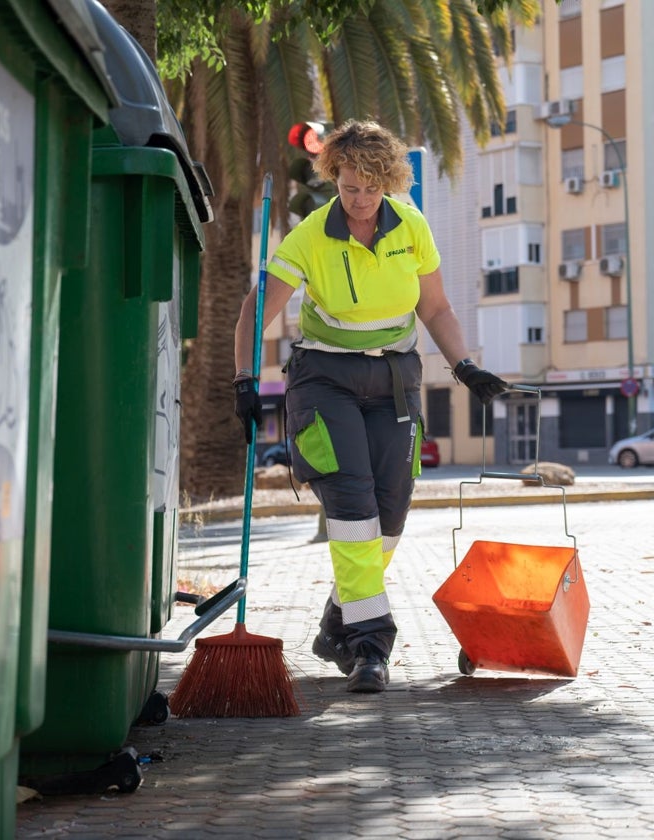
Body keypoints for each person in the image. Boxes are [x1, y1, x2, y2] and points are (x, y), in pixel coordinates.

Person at [231, 119, 507, 693]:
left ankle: (339, 623)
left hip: (394, 380)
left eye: (370, 189)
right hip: (324, 380)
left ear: (388, 184)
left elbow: (435, 309)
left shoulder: (412, 227)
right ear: (335, 178)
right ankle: (370, 647)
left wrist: (465, 367)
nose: (359, 201)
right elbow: (257, 313)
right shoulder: (310, 234)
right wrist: (244, 382)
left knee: (390, 514)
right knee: (353, 508)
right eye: (349, 187)